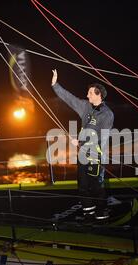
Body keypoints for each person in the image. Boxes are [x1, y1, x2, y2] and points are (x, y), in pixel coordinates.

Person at [51, 69, 114, 220]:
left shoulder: (107, 114)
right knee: (83, 184)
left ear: (98, 95)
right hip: (82, 153)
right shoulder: (85, 106)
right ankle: (88, 211)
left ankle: (102, 212)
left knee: (97, 186)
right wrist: (55, 84)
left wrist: (80, 141)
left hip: (96, 154)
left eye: (90, 93)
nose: (87, 95)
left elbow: (101, 136)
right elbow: (70, 98)